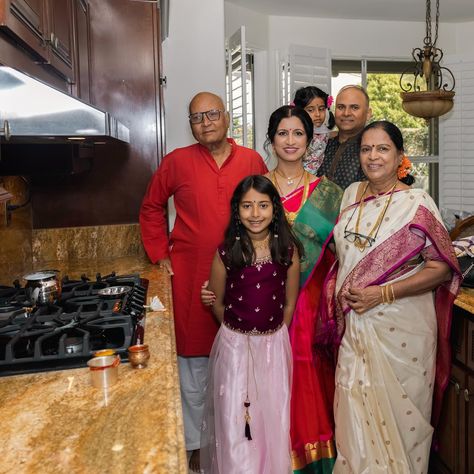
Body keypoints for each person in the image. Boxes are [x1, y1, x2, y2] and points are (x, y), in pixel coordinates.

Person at [202, 105, 343, 473]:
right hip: (257, 311)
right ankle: (263, 459)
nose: (291, 141)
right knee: (257, 389)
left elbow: (339, 253)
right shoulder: (257, 188)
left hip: (307, 305)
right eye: (283, 133)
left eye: (298, 133)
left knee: (305, 383)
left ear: (309, 140)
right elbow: (232, 248)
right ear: (272, 139)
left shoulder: (328, 193)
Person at [139, 91, 267, 472]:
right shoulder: (176, 162)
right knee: (193, 368)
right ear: (190, 125)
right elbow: (150, 207)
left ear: (227, 117)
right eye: (197, 117)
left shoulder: (251, 160)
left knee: (241, 363)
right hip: (191, 274)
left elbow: (267, 209)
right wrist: (160, 254)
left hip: (244, 275)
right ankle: (195, 450)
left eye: (212, 114)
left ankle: (238, 444)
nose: (206, 122)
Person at [324, 121, 461, 473]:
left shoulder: (417, 203)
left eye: (382, 149)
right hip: (356, 326)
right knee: (353, 410)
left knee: (400, 420)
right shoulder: (350, 194)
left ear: (400, 156)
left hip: (402, 329)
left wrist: (382, 293)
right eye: (366, 149)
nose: (373, 156)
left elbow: (441, 268)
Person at [200, 175, 302, 473]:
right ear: (237, 210)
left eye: (262, 205)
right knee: (236, 415)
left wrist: (269, 334)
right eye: (247, 206)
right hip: (234, 348)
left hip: (273, 346)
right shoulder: (227, 253)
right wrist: (239, 333)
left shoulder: (287, 251)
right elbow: (218, 302)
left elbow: (290, 303)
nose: (255, 214)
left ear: (275, 209)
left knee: (271, 414)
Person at [317, 84, 372, 189]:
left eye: (354, 107)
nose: (346, 113)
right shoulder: (322, 144)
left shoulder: (372, 149)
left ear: (368, 113)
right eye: (341, 107)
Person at [293, 86, 336, 175]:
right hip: (298, 178)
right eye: (310, 110)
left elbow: (331, 134)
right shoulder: (295, 134)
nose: (317, 114)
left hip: (318, 180)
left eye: (321, 109)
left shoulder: (324, 131)